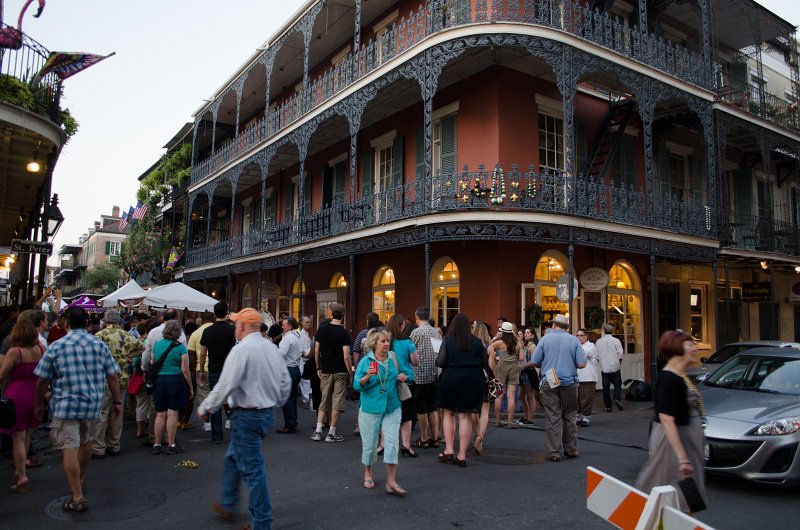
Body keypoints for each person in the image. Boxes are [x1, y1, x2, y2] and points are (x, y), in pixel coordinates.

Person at [197, 308, 291, 530]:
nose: (234, 328)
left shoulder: (241, 350)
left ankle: (262, 522)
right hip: (264, 413)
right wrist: (274, 402)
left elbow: (225, 384)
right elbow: (285, 383)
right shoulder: (270, 347)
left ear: (245, 326)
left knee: (253, 471)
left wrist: (206, 406)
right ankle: (229, 504)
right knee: (234, 458)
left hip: (246, 415)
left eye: (236, 324)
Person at [33, 307, 122, 513]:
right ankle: (80, 479)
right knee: (86, 441)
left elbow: (42, 380)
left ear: (66, 324)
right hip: (92, 403)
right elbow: (112, 376)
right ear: (87, 324)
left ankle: (77, 495)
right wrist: (117, 402)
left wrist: (39, 404)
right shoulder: (98, 345)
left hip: (65, 404)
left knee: (69, 447)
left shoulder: (56, 346)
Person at [636, 330, 707, 513]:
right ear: (677, 348)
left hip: (684, 442)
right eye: (689, 344)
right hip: (673, 444)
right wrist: (682, 458)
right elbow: (667, 419)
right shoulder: (669, 378)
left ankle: (684, 517)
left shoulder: (680, 375)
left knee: (683, 487)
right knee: (674, 484)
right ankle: (677, 518)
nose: (694, 348)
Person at [353, 327, 410, 494]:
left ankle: (391, 481)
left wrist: (405, 376)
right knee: (370, 444)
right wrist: (366, 377)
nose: (386, 344)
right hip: (370, 408)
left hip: (392, 406)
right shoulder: (366, 362)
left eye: (387, 341)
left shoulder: (393, 357)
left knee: (392, 443)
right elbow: (356, 385)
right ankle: (368, 472)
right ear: (374, 344)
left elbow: (408, 372)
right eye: (383, 341)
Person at [532, 314, 586, 462]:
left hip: (550, 380)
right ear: (566, 327)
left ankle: (554, 452)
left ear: (554, 324)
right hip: (569, 381)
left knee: (552, 416)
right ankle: (571, 449)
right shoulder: (573, 340)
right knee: (570, 415)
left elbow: (535, 361)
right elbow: (582, 364)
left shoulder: (545, 339)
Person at [91, 309, 143, 458]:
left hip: (102, 379)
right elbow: (142, 347)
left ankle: (99, 447)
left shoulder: (99, 336)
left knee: (101, 413)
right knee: (116, 413)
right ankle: (114, 445)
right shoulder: (127, 335)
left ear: (105, 320)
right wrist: (129, 355)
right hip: (122, 377)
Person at [0, 319, 45, 492]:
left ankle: (21, 475)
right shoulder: (41, 349)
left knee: (17, 438)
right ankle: (22, 467)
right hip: (35, 393)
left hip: (17, 393)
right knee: (27, 433)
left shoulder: (15, 352)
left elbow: (2, 375)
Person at [436, 313, 485, 467]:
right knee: (465, 416)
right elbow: (484, 363)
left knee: (448, 413)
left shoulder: (448, 341)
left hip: (451, 379)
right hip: (472, 380)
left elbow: (441, 362)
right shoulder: (477, 342)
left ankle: (449, 449)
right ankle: (462, 455)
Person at [142, 309, 186, 445]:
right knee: (172, 409)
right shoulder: (181, 335)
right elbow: (185, 361)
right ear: (175, 318)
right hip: (175, 376)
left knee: (157, 407)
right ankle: (169, 438)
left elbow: (147, 354)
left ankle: (154, 437)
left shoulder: (153, 332)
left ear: (163, 318)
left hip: (157, 375)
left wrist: (145, 370)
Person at [311, 302, 352, 443]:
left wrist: (318, 367)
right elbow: (346, 356)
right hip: (340, 370)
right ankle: (331, 433)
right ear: (343, 316)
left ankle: (317, 431)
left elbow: (316, 351)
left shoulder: (322, 329)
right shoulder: (343, 332)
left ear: (331, 313)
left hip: (326, 370)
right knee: (337, 401)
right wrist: (350, 373)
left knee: (324, 399)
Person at [151, 320, 193, 455]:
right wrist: (190, 387)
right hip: (175, 380)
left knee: (160, 413)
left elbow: (153, 361)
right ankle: (171, 443)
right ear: (178, 332)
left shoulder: (157, 345)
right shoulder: (180, 347)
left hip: (159, 381)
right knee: (172, 413)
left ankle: (157, 443)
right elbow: (185, 370)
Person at [198, 302, 236, 443]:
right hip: (230, 370)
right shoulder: (232, 330)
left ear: (214, 314)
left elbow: (202, 354)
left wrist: (202, 370)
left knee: (215, 403)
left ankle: (217, 436)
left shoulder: (208, 331)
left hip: (214, 369)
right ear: (226, 313)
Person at [386, 313, 418, 457]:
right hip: (406, 380)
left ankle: (384, 445)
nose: (405, 326)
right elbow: (415, 361)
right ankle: (406, 445)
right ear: (400, 326)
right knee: (406, 415)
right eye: (404, 324)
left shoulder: (384, 342)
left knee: (387, 414)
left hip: (388, 380)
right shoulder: (407, 342)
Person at [409, 306, 441, 448]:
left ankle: (423, 438)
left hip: (419, 374)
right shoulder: (436, 332)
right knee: (432, 407)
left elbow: (410, 351)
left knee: (421, 408)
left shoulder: (416, 332)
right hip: (434, 373)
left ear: (417, 317)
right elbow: (439, 352)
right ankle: (435, 437)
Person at [488, 321, 523, 428]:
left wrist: (495, 338)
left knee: (499, 396)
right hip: (513, 368)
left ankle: (498, 421)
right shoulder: (518, 343)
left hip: (501, 367)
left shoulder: (500, 343)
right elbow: (521, 358)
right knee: (511, 396)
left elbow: (489, 346)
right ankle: (510, 422)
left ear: (503, 332)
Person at [469, 320, 493, 455]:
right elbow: (490, 367)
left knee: (473, 410)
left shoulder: (470, 345)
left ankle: (477, 433)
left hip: (472, 378)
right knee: (485, 410)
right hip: (485, 379)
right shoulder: (489, 347)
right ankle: (480, 438)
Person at [276, 317, 303, 434]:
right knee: (291, 398)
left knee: (287, 398)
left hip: (288, 369)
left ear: (290, 326)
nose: (282, 326)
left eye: (284, 325)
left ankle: (290, 424)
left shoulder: (287, 339)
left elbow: (279, 354)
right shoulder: (298, 336)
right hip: (296, 369)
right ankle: (292, 423)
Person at [597, 323, 625, 412]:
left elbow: (596, 355)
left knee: (606, 387)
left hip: (604, 368)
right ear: (612, 330)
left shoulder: (599, 341)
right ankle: (616, 398)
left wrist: (601, 363)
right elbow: (620, 354)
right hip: (615, 367)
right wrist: (618, 364)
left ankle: (608, 406)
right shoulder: (616, 341)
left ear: (604, 331)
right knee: (617, 384)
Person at [576, 328, 599, 427]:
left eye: (581, 335)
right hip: (576, 377)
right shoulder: (577, 346)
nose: (579, 337)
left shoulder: (591, 346)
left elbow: (586, 353)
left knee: (586, 398)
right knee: (576, 399)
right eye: (578, 335)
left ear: (586, 336)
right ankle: (577, 416)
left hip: (588, 377)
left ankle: (585, 417)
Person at [517, 327, 539, 426]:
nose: (526, 334)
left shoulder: (532, 346)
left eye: (528, 333)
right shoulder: (525, 345)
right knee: (521, 396)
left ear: (533, 335)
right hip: (523, 372)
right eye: (525, 333)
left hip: (529, 372)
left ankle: (530, 419)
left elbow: (534, 361)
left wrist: (523, 366)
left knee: (531, 396)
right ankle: (526, 416)